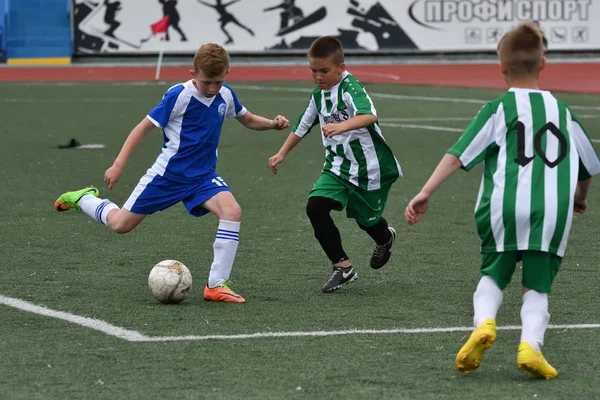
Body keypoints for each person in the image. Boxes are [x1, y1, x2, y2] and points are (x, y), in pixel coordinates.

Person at [404, 23, 600, 379]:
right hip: (552, 211)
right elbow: (588, 167)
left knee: (493, 276)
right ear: (544, 63)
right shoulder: (563, 111)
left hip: (503, 207)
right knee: (537, 286)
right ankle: (530, 347)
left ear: (501, 67)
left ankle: (485, 324)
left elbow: (459, 154)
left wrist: (426, 190)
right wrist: (579, 198)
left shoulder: (498, 108)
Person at [54, 43, 289, 304]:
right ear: (192, 74)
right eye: (206, 82)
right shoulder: (179, 96)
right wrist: (119, 164)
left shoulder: (226, 95)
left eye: (218, 82)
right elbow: (141, 129)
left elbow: (246, 118)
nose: (212, 88)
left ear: (227, 75)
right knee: (120, 224)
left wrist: (271, 124)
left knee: (232, 211)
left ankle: (216, 285)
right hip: (167, 177)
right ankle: (85, 198)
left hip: (202, 177)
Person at [269, 36, 402, 293]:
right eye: (313, 71)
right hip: (337, 166)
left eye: (324, 71)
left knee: (367, 221)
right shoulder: (318, 96)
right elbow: (303, 125)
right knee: (315, 207)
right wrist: (282, 153)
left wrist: (341, 125)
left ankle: (385, 238)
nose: (318, 76)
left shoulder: (351, 87)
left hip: (369, 168)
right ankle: (343, 267)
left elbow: (369, 115)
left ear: (340, 67)